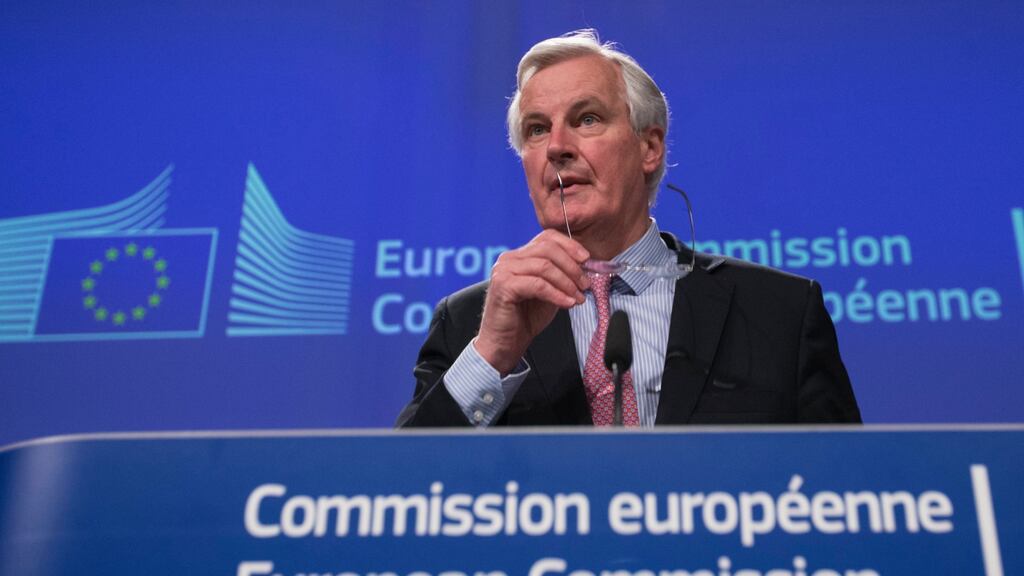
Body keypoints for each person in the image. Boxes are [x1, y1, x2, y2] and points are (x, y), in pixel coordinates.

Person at [396, 30, 861, 427]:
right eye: (537, 130)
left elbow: (854, 495)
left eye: (587, 119)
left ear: (649, 147)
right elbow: (396, 494)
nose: (557, 146)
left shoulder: (779, 314)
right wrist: (493, 353)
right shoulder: (468, 324)